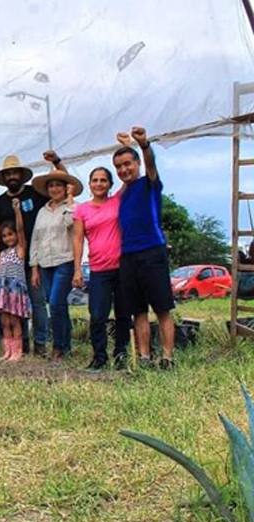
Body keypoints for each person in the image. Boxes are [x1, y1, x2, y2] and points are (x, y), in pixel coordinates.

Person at [114, 126, 176, 369]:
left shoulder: (149, 184)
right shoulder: (123, 193)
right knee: (138, 311)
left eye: (128, 164)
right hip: (128, 256)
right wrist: (124, 145)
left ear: (137, 164)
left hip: (152, 251)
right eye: (119, 167)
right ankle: (144, 358)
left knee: (162, 308)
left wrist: (144, 144)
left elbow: (150, 163)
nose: (123, 170)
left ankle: (168, 357)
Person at [0, 154, 55, 356]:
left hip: (35, 258)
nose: (12, 176)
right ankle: (20, 345)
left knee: (36, 302)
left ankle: (41, 344)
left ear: (22, 175)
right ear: (4, 177)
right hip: (10, 263)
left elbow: (59, 194)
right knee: (13, 306)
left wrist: (56, 162)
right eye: (8, 173)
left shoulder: (35, 193)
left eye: (15, 172)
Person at [73, 167, 132, 370]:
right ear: (89, 184)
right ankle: (99, 357)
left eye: (103, 180)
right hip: (98, 269)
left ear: (110, 184)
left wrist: (131, 144)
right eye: (95, 180)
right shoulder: (81, 210)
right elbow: (78, 240)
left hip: (122, 267)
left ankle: (121, 354)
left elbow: (131, 176)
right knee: (97, 315)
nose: (99, 184)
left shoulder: (116, 201)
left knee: (123, 314)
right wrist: (77, 269)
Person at [29, 169, 82, 362]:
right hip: (45, 263)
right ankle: (65, 345)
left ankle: (58, 347)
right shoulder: (42, 212)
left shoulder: (73, 207)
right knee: (57, 306)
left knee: (56, 303)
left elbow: (72, 223)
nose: (54, 189)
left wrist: (69, 198)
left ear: (65, 188)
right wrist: (34, 267)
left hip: (64, 261)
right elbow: (36, 239)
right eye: (51, 185)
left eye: (58, 185)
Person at [0, 198, 32, 362]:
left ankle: (17, 351)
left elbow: (21, 230)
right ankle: (7, 351)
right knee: (5, 322)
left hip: (15, 290)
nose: (8, 238)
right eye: (4, 236)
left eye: (10, 234)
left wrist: (17, 211)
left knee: (15, 321)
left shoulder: (20, 250)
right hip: (2, 290)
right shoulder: (2, 254)